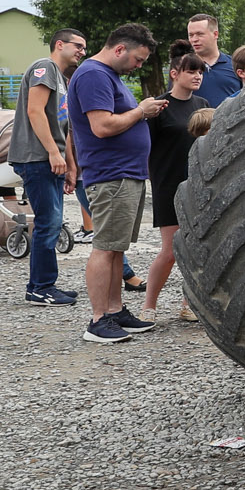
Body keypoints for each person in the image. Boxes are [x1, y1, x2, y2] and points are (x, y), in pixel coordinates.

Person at [69, 23, 167, 344]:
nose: (139, 66)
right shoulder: (94, 75)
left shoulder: (106, 75)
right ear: (120, 49)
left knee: (116, 248)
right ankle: (98, 320)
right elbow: (102, 126)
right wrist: (141, 111)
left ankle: (115, 310)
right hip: (111, 174)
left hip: (125, 174)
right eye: (137, 59)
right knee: (105, 246)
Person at [10, 30, 85, 305]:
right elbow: (35, 111)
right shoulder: (45, 67)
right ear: (60, 44)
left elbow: (62, 125)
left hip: (51, 159)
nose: (82, 51)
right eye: (78, 46)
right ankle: (40, 288)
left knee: (51, 223)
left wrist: (70, 164)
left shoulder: (62, 79)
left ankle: (44, 284)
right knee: (48, 223)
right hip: (36, 157)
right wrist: (54, 153)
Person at [140, 43, 206, 320]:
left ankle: (188, 304)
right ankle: (148, 306)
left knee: (196, 249)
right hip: (168, 182)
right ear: (174, 73)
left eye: (201, 72)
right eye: (191, 71)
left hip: (199, 182)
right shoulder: (159, 106)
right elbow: (144, 147)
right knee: (170, 251)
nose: (197, 76)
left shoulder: (202, 105)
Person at [187, 13, 242, 107]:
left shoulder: (236, 65)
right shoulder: (182, 67)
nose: (194, 39)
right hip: (194, 121)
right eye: (191, 35)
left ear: (215, 34)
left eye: (200, 34)